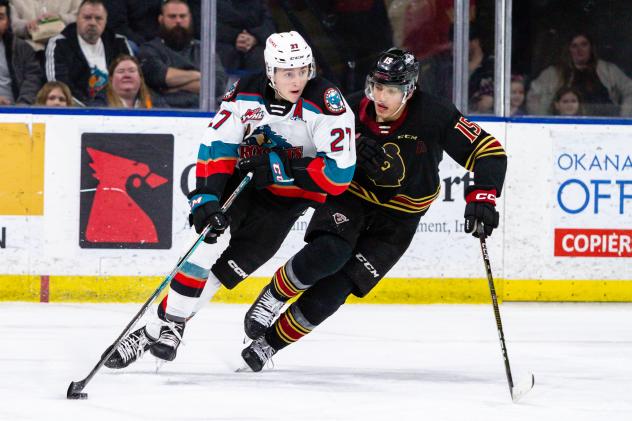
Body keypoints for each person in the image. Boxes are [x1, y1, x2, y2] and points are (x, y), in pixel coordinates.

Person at [240, 47, 507, 372]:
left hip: (400, 219)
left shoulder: (435, 114)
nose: (381, 96)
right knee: (329, 252)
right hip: (352, 197)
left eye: (392, 90)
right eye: (378, 86)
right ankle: (273, 297)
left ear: (409, 90)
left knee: (336, 291)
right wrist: (268, 148)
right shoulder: (348, 109)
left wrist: (484, 195)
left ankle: (269, 345)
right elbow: (303, 141)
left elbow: (489, 150)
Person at [103, 30, 356, 369]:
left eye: (303, 70)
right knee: (208, 238)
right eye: (287, 72)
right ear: (270, 71)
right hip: (245, 185)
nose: (297, 80)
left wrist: (279, 168)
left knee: (225, 271)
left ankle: (154, 329)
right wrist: (205, 197)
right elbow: (217, 146)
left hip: (288, 203)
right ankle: (171, 327)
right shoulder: (246, 93)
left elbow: (339, 175)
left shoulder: (326, 102)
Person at [138, 0, 226, 109]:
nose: (178, 21)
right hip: (162, 111)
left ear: (190, 18)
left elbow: (218, 84)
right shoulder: (149, 49)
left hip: (200, 110)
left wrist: (177, 86)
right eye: (172, 16)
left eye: (182, 16)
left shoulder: (203, 49)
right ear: (161, 19)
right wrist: (200, 75)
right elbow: (159, 77)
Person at [45, 0, 133, 106]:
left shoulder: (119, 43)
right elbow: (59, 86)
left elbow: (133, 81)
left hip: (116, 109)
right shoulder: (59, 43)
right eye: (87, 17)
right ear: (77, 19)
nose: (92, 23)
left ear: (106, 21)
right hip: (77, 111)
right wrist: (88, 110)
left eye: (98, 18)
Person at [527, 31, 632, 117]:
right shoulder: (552, 74)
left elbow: (629, 89)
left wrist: (623, 117)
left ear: (591, 47)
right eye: (574, 46)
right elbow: (534, 97)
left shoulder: (608, 70)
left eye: (584, 44)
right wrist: (545, 122)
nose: (579, 50)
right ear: (568, 49)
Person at [0, 0, 43, 105]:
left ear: (7, 23)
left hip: (15, 113)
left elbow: (33, 79)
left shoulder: (21, 48)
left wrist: (22, 106)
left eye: (0, 17)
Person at [216, 0, 275, 73]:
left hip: (253, 45)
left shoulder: (258, 2)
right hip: (221, 45)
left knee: (266, 57)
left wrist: (255, 38)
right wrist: (236, 36)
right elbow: (203, 26)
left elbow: (269, 26)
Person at [91, 54, 166, 108]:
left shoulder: (156, 103)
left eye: (132, 71)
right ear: (111, 79)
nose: (127, 75)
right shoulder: (99, 105)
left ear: (140, 78)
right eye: (121, 71)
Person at [9, 0, 81, 52]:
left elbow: (81, 17)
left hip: (64, 49)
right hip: (30, 50)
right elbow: (11, 22)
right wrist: (27, 25)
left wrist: (60, 18)